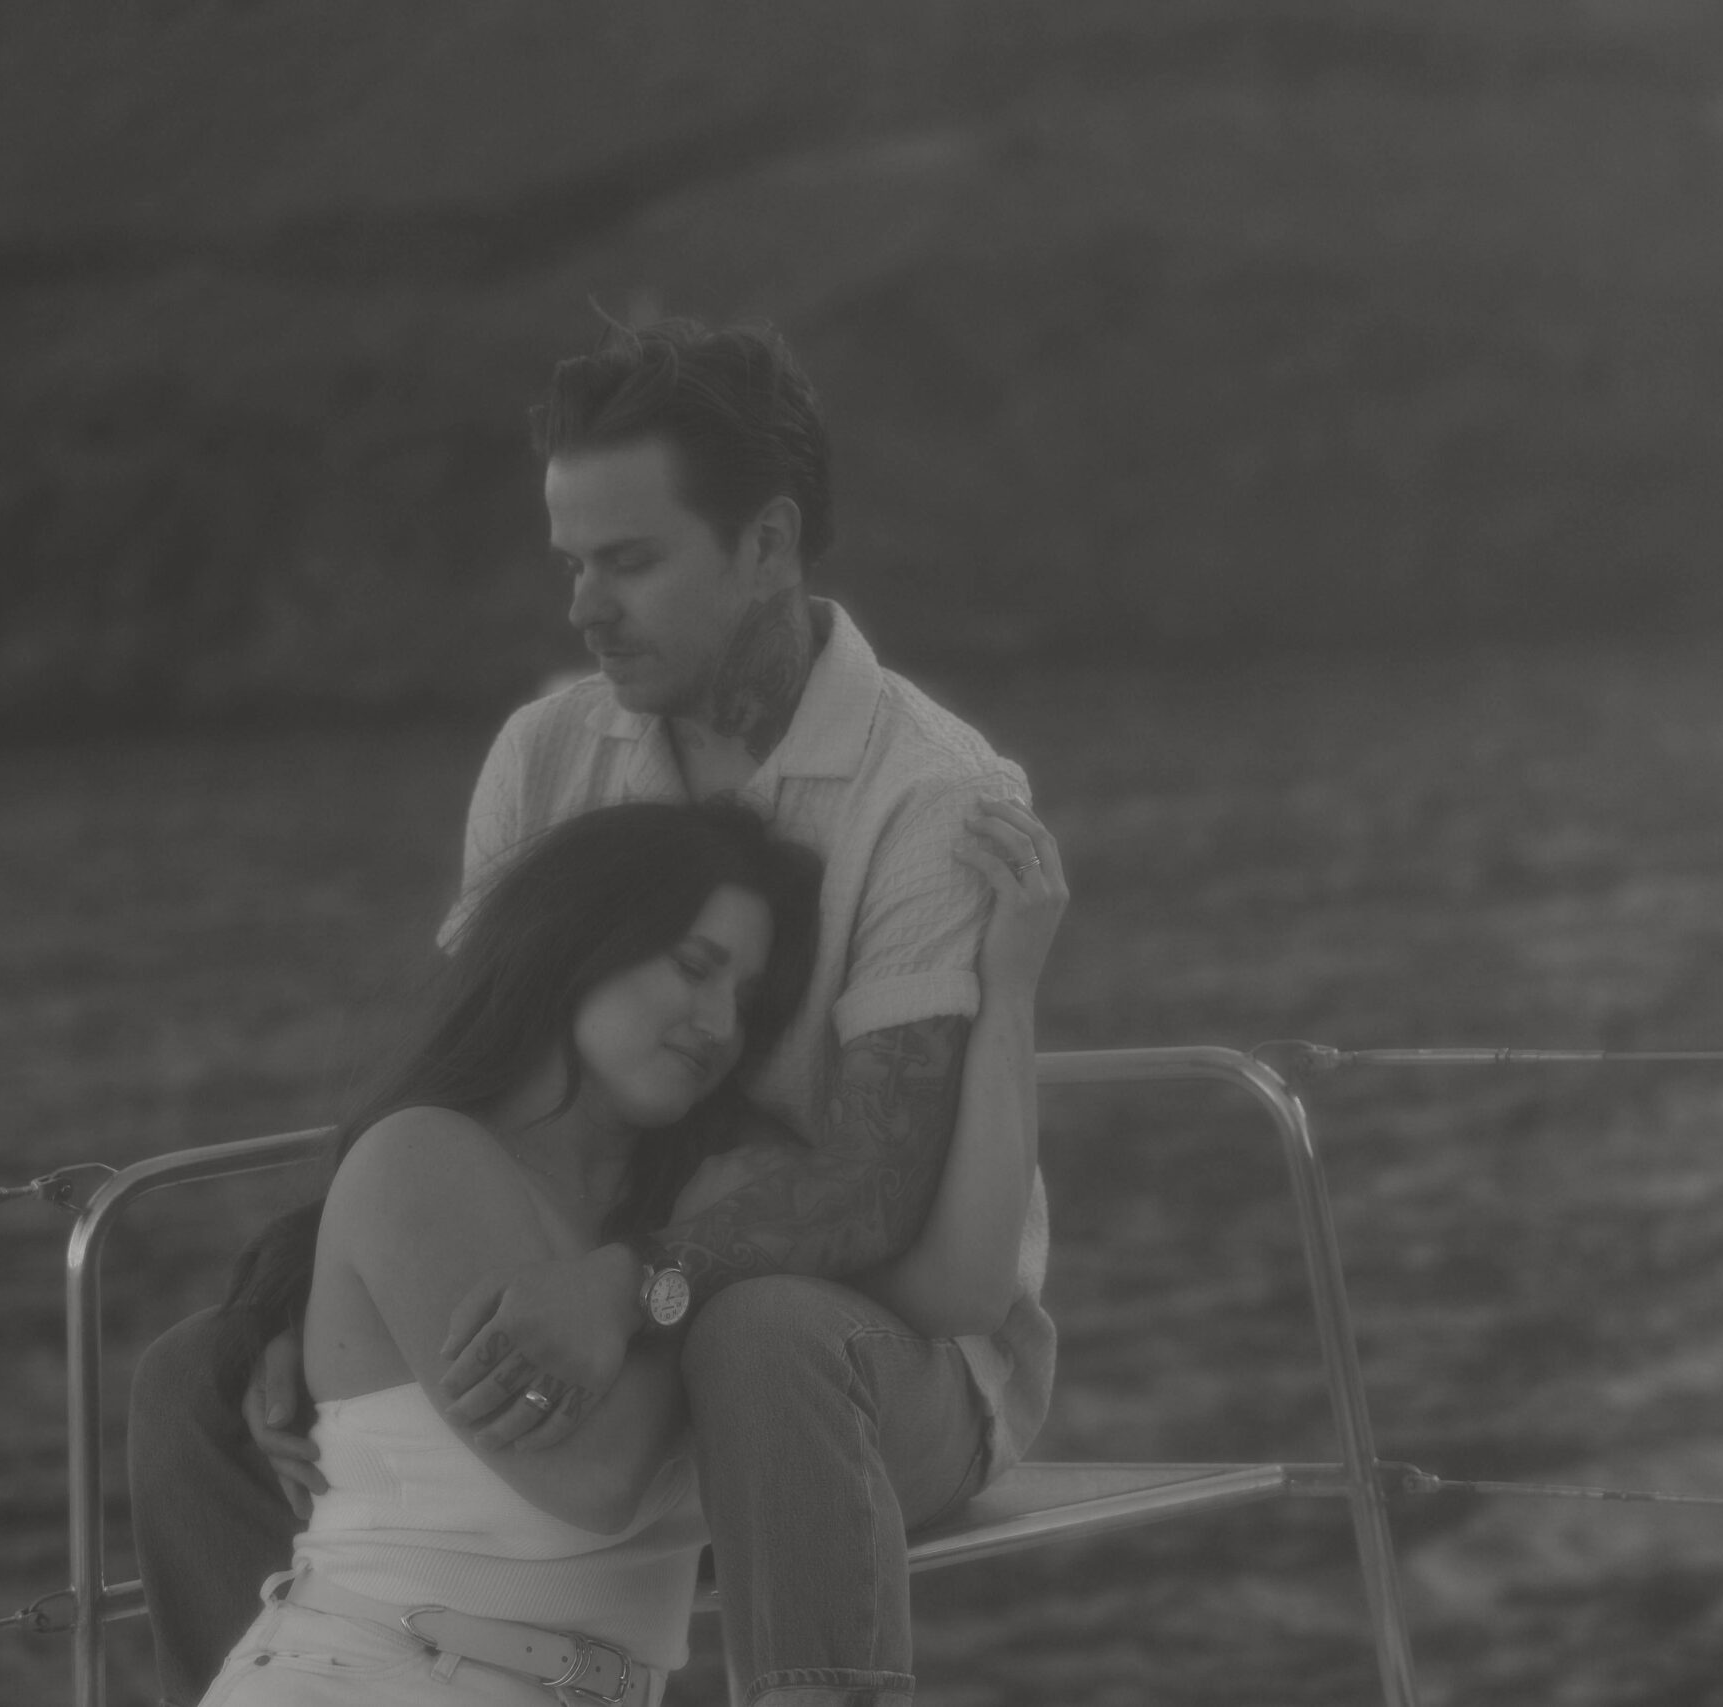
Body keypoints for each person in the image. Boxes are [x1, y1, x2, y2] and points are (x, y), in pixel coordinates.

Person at [131, 317, 1062, 1707]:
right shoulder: (548, 753)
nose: (582, 606)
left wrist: (629, 1280)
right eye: (572, 562)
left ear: (767, 543)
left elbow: (879, 1193)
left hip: (882, 1354)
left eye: (629, 561)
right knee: (193, 1375)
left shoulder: (930, 797)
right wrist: (296, 1301)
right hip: (599, 1292)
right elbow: (470, 1067)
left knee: (771, 1332)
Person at [199, 794, 1064, 1705]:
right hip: (369, 1674)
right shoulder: (421, 1158)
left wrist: (1007, 995)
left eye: (749, 1000)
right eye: (696, 967)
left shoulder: (696, 1206)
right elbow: (595, 1475)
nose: (722, 1023)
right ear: (582, 944)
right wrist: (682, 1265)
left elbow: (963, 1281)